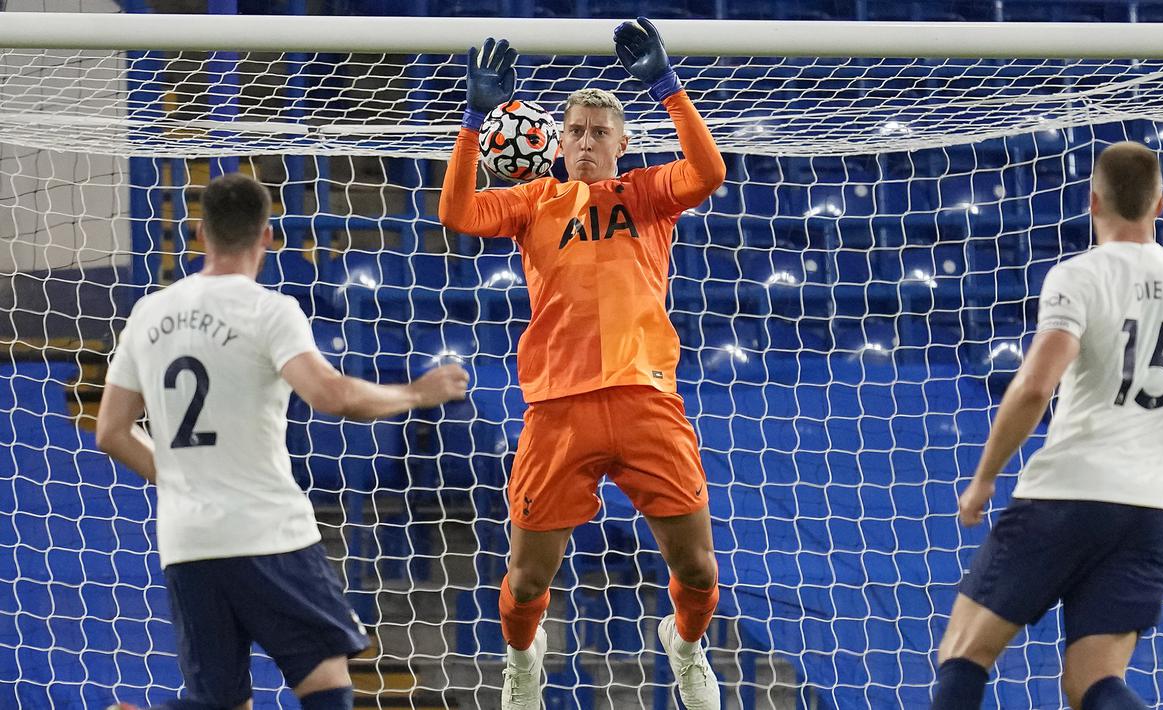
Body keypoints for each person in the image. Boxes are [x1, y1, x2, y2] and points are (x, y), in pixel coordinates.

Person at [438, 17, 726, 710]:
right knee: (527, 578)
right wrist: (474, 120)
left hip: (644, 399)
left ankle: (684, 644)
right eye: (575, 131)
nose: (587, 141)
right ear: (554, 143)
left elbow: (710, 171)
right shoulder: (533, 201)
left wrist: (666, 86)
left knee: (695, 565)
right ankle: (521, 659)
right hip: (557, 410)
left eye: (600, 132)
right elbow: (455, 213)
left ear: (623, 144)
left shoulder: (648, 196)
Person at [97, 173, 469, 710]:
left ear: (199, 233)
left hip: (187, 538)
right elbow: (332, 396)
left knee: (221, 703)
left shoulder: (147, 314)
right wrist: (417, 392)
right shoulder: (270, 310)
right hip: (265, 530)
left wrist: (184, 479)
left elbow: (111, 430)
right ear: (268, 235)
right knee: (326, 682)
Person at [930, 141, 1163, 710]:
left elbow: (1036, 386)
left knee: (964, 652)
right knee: (1092, 683)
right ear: (1160, 204)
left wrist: (985, 477)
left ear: (1092, 199)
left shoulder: (1080, 277)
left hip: (1065, 494)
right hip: (1148, 512)